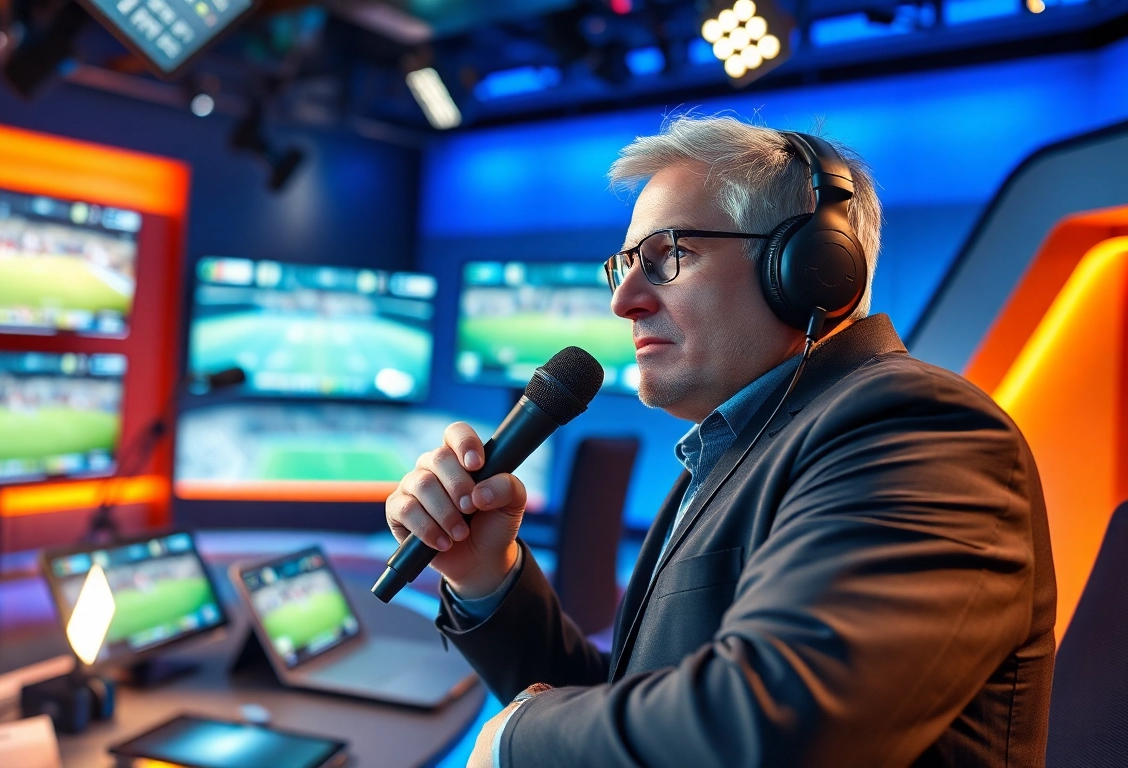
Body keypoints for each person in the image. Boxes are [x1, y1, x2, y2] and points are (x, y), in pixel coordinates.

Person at [384, 116, 1055, 768]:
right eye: (625, 266)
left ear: (810, 268)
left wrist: (517, 740)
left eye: (668, 255)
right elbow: (629, 706)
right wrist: (485, 575)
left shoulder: (919, 429)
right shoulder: (729, 451)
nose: (626, 301)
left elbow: (774, 727)